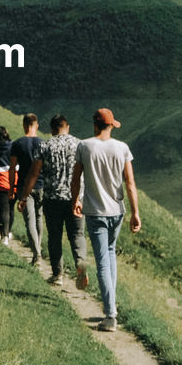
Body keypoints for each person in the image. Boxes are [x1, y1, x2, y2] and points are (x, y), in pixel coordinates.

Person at [71, 108, 140, 332]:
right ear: (110, 126)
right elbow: (130, 183)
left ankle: (110, 315)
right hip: (117, 211)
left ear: (94, 125)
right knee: (110, 253)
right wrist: (135, 212)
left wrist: (76, 200)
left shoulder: (84, 146)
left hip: (95, 211)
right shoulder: (122, 148)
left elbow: (76, 177)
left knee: (102, 261)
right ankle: (111, 306)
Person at [22, 115, 86, 285]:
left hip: (52, 198)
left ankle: (58, 275)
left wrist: (24, 196)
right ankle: (80, 261)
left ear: (52, 129)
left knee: (55, 236)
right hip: (76, 198)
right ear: (68, 127)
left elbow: (34, 174)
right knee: (77, 235)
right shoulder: (80, 144)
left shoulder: (45, 145)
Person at [10, 114, 44, 265]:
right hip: (42, 185)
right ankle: (39, 248)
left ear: (24, 125)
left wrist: (12, 188)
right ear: (36, 125)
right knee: (39, 218)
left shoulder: (17, 144)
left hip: (24, 187)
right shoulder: (43, 143)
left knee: (29, 220)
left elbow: (12, 169)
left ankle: (36, 254)